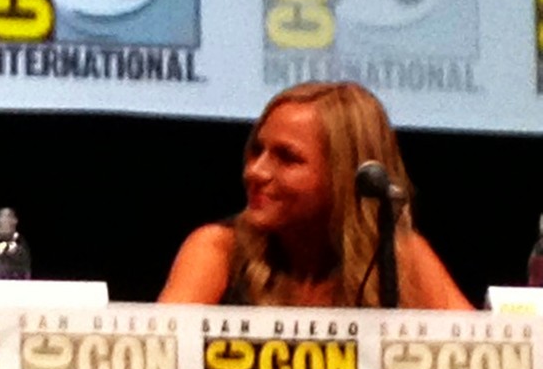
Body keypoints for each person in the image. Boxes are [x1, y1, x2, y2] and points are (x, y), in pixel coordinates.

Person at [159, 81, 472, 310]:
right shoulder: (217, 249)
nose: (255, 171)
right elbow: (158, 356)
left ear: (345, 174)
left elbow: (480, 355)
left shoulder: (400, 255)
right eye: (257, 150)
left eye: (287, 157)